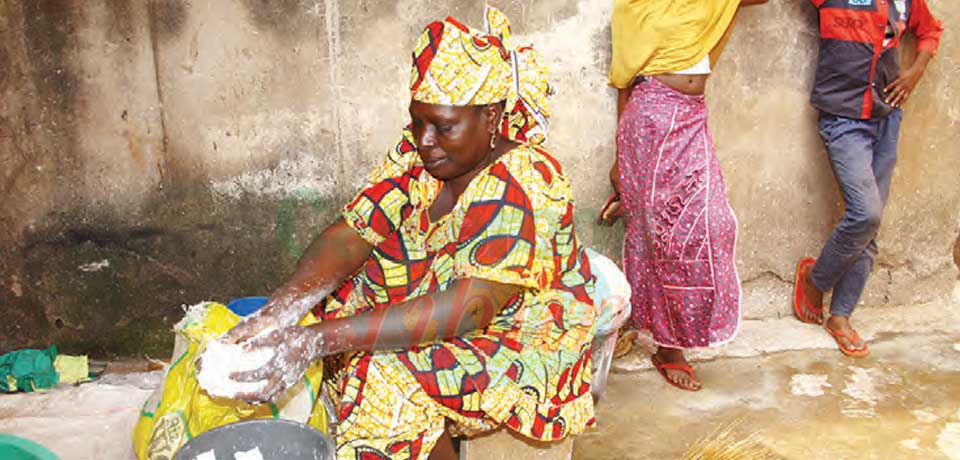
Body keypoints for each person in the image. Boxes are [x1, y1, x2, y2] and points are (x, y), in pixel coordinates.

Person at [218, 7, 597, 459]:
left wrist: (320, 340)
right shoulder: (420, 154)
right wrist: (282, 310)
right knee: (340, 300)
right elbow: (352, 233)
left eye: (443, 125)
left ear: (491, 117)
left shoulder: (527, 182)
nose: (424, 139)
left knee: (380, 373)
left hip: (521, 334)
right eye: (418, 121)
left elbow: (470, 308)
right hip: (452, 302)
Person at [597, 0, 767, 392]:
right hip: (648, 121)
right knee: (657, 236)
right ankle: (668, 348)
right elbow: (625, 85)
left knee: (712, 222)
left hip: (691, 117)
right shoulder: (636, 9)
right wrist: (620, 161)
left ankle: (669, 333)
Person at [794, 0, 943, 357]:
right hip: (843, 118)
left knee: (870, 225)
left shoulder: (905, 2)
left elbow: (931, 31)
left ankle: (841, 316)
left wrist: (915, 71)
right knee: (866, 213)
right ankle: (814, 281)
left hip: (887, 117)